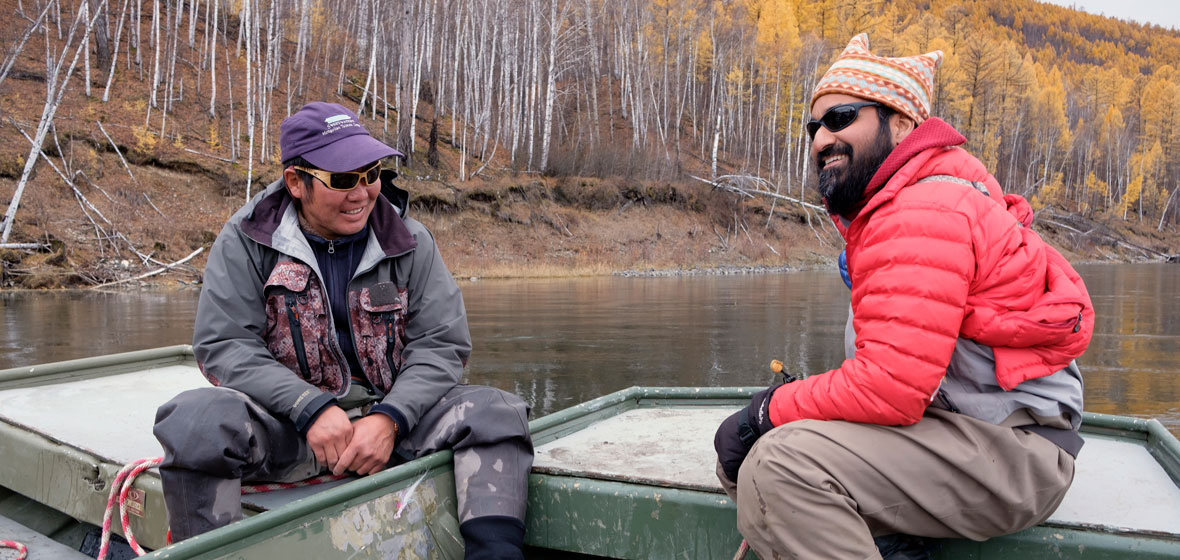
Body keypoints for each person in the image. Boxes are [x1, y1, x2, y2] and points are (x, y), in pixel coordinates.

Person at [714, 34, 1093, 559]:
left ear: (904, 125)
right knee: (764, 455)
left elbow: (891, 390)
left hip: (1015, 457)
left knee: (776, 467)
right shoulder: (909, 204)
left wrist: (767, 411)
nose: (822, 137)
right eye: (814, 125)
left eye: (842, 117)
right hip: (976, 439)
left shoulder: (923, 210)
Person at [153, 102, 533, 559]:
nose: (362, 193)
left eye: (370, 173)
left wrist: (391, 418)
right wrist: (308, 408)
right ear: (296, 182)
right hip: (289, 430)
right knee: (195, 422)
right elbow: (225, 345)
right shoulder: (245, 240)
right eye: (342, 179)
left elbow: (442, 344)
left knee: (497, 411)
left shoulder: (410, 241)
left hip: (394, 426)